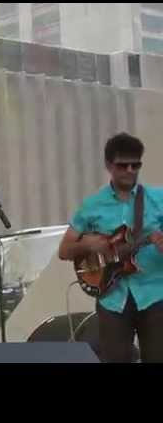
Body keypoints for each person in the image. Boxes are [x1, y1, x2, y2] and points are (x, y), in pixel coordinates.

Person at [58, 133, 163, 363]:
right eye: (122, 165)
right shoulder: (92, 205)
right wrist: (88, 242)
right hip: (113, 298)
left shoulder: (159, 199)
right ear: (108, 165)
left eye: (136, 165)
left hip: (155, 295)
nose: (130, 170)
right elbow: (64, 251)